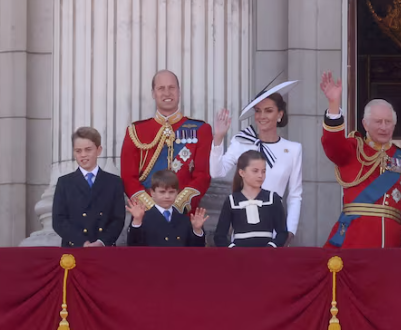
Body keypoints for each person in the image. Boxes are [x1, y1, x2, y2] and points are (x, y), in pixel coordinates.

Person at [318, 71, 401, 248]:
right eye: (378, 121)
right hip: (355, 239)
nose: (383, 127)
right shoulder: (353, 150)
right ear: (365, 124)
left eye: (388, 122)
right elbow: (332, 143)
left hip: (392, 243)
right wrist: (333, 104)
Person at [212, 81, 303, 238]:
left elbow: (295, 195)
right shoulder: (241, 142)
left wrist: (289, 231)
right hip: (243, 223)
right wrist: (218, 139)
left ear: (280, 114)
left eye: (268, 111)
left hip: (275, 224)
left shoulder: (293, 149)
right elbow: (216, 172)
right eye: (258, 111)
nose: (262, 116)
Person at [121, 70, 212, 214]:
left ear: (179, 91)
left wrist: (177, 206)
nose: (167, 93)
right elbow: (128, 177)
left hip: (184, 217)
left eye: (171, 87)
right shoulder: (136, 131)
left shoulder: (201, 129)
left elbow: (202, 175)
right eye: (161, 88)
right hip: (147, 216)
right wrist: (152, 208)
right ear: (153, 93)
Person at [51, 126, 126, 248]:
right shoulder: (64, 183)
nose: (83, 155)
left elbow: (118, 219)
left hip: (104, 249)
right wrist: (82, 242)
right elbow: (59, 220)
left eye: (88, 149)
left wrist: (101, 242)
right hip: (74, 249)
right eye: (78, 151)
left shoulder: (114, 182)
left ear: (99, 150)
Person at [212, 151, 292, 248]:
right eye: (255, 171)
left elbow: (282, 233)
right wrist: (234, 250)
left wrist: (271, 247)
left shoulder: (272, 198)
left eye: (263, 171)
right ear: (242, 172)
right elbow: (220, 236)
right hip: (240, 259)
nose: (260, 175)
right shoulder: (232, 200)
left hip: (266, 258)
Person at [126, 169, 208, 247]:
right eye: (162, 192)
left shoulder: (185, 219)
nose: (167, 196)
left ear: (177, 193)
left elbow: (196, 251)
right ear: (152, 193)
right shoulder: (142, 218)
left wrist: (197, 230)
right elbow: (133, 247)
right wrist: (136, 221)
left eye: (171, 192)